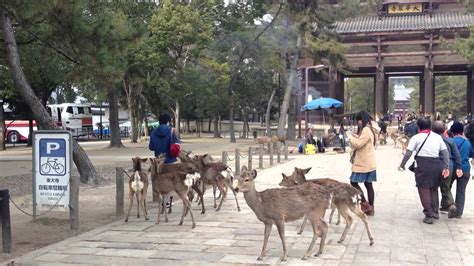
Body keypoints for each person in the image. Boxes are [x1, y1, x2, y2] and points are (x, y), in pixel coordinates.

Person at [399, 117, 450, 224]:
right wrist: (446, 167)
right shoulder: (437, 137)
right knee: (433, 188)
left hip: (422, 165)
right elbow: (445, 153)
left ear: (418, 126)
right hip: (436, 165)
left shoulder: (416, 138)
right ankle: (434, 211)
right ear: (430, 126)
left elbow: (408, 153)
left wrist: (402, 165)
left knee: (423, 189)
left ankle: (429, 213)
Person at [348, 111, 378, 216]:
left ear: (361, 119)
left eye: (358, 120)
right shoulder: (371, 129)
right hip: (369, 162)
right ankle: (371, 208)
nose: (358, 123)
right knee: (368, 184)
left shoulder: (366, 129)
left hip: (363, 163)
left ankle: (365, 204)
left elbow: (359, 144)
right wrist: (356, 136)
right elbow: (363, 140)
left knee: (353, 182)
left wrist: (350, 137)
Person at [432, 121, 462, 219]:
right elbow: (457, 155)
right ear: (445, 130)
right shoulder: (450, 141)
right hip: (449, 165)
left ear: (432, 130)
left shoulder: (432, 140)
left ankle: (434, 210)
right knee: (446, 187)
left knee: (433, 188)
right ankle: (451, 205)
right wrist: (459, 167)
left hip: (435, 165)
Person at [449, 122, 472, 219]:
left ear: (452, 132)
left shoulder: (450, 141)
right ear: (462, 131)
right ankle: (458, 213)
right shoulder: (467, 142)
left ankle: (449, 205)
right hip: (465, 168)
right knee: (461, 191)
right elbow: (471, 154)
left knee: (446, 187)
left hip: (452, 168)